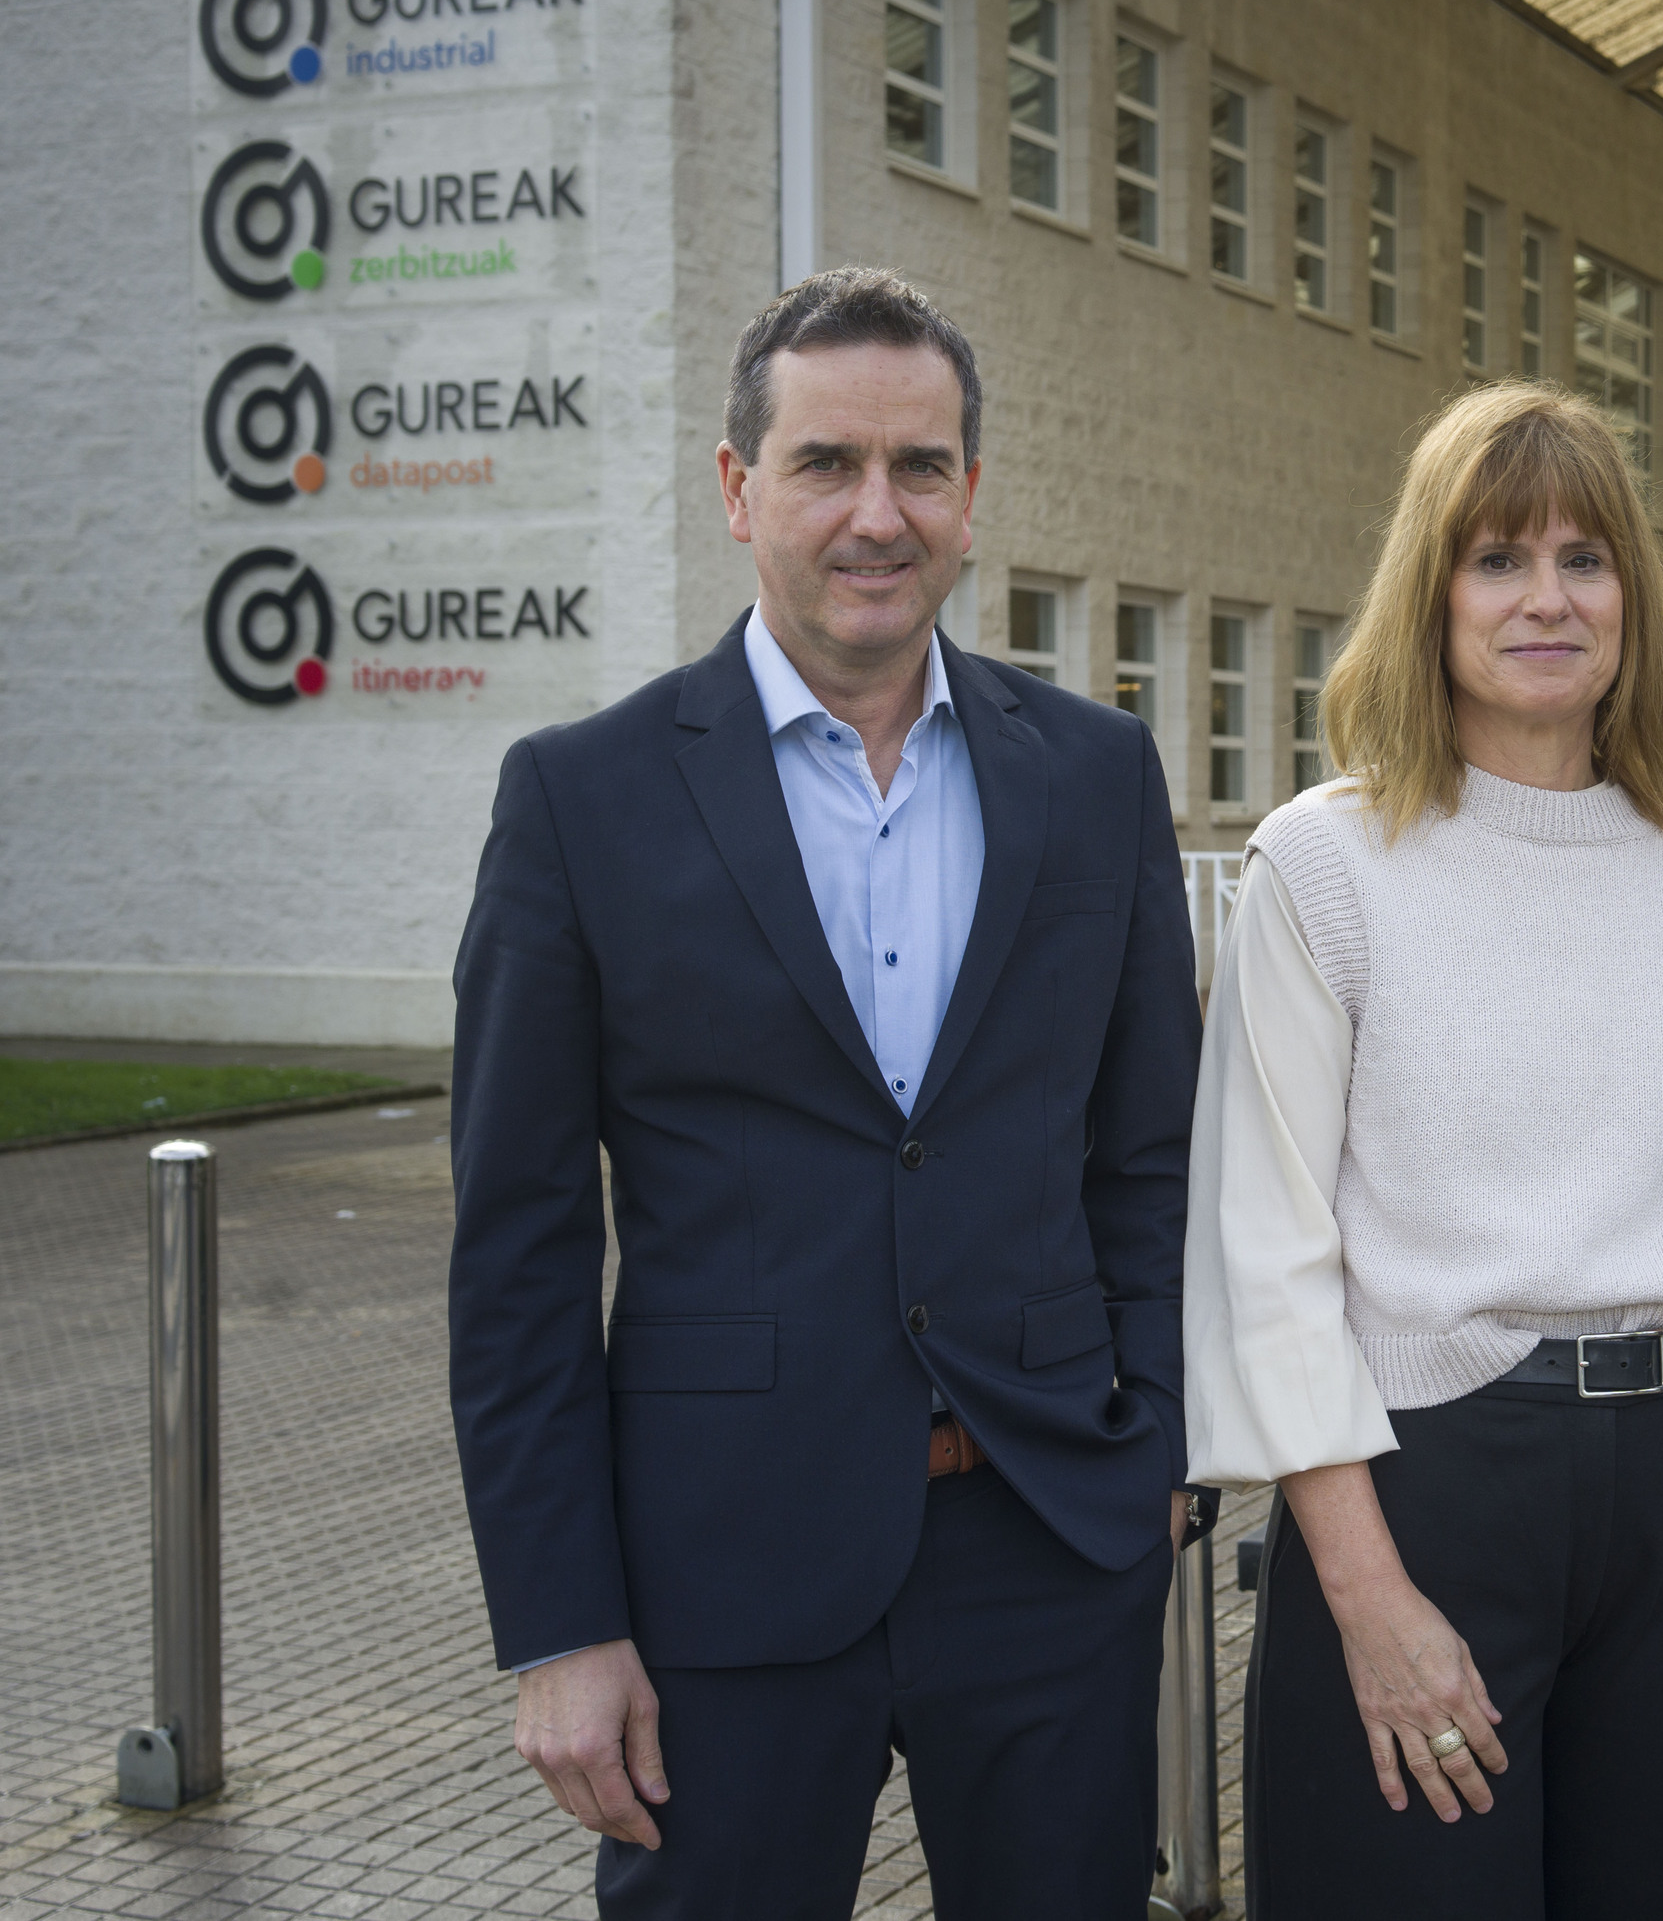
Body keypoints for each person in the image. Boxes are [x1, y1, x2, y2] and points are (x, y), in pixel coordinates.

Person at [448, 267, 1204, 1919]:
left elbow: (1149, 1160)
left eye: (920, 467)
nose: (879, 512)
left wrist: (1155, 1451)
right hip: (723, 1565)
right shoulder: (580, 801)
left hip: (1047, 1544)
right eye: (825, 464)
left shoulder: (1093, 777)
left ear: (973, 498)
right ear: (738, 490)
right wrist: (563, 1623)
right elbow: (515, 1249)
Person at [1185, 380, 1663, 1920]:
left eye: (1585, 557)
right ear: (1430, 594)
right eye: (1497, 560)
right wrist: (1365, 1596)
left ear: (1636, 597)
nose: (1546, 598)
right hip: (1426, 1490)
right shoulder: (1324, 864)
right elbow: (1265, 1256)